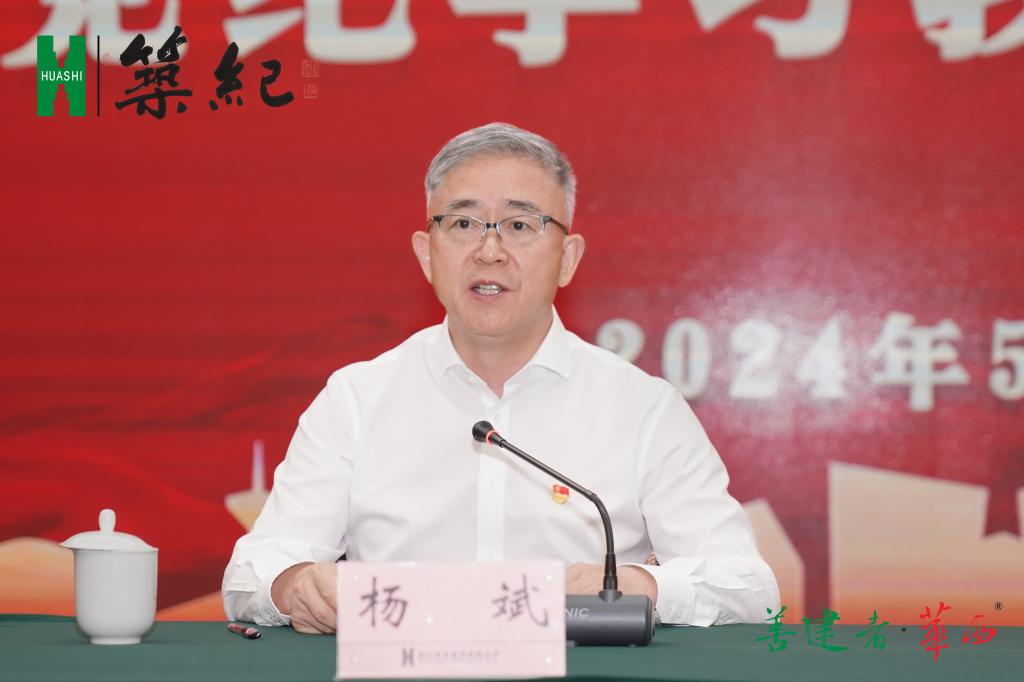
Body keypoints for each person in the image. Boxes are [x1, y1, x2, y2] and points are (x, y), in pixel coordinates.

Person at [222, 122, 779, 633]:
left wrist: (639, 586)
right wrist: (295, 585)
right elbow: (251, 572)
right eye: (463, 223)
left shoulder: (642, 408)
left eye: (519, 225)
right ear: (426, 254)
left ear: (567, 258)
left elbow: (751, 589)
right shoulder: (357, 399)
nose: (489, 251)